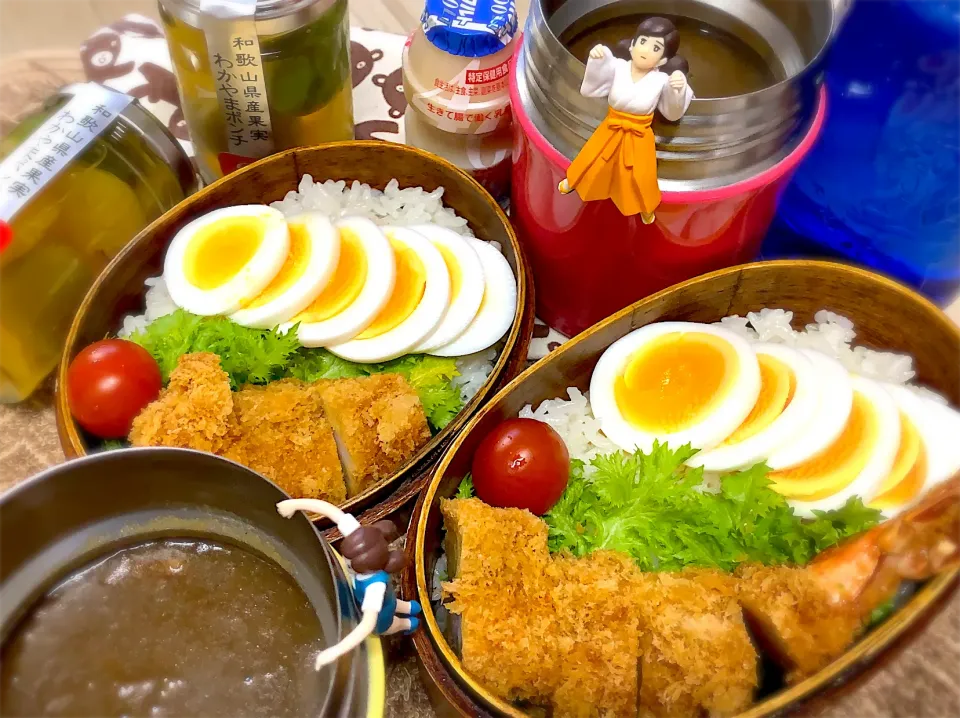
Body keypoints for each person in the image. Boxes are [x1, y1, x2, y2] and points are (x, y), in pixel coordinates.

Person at [558, 17, 694, 224]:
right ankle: (574, 180)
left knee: (641, 175)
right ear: (632, 45)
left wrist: (679, 87)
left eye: (655, 48)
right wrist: (598, 57)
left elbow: (672, 111)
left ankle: (645, 207)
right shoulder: (618, 67)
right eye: (643, 41)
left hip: (639, 133)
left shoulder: (660, 80)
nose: (646, 50)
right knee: (592, 159)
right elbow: (597, 79)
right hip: (612, 126)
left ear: (662, 61)